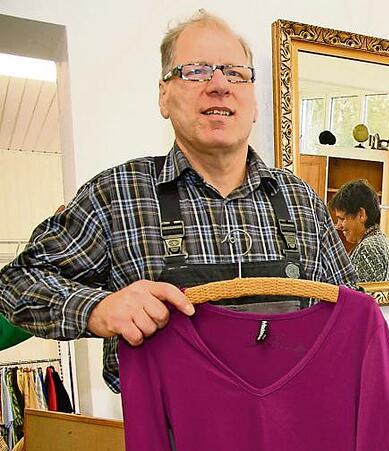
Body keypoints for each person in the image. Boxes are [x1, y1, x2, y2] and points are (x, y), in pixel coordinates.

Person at [0, 11, 357, 393]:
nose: (219, 84)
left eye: (235, 72)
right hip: (173, 445)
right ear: (164, 96)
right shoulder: (116, 195)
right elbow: (15, 284)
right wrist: (97, 309)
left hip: (293, 437)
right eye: (196, 71)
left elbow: (351, 319)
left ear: (253, 103)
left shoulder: (300, 200)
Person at [329, 179, 389, 282]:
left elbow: (359, 296)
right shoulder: (381, 243)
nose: (338, 226)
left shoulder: (368, 249)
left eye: (342, 219)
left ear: (361, 215)